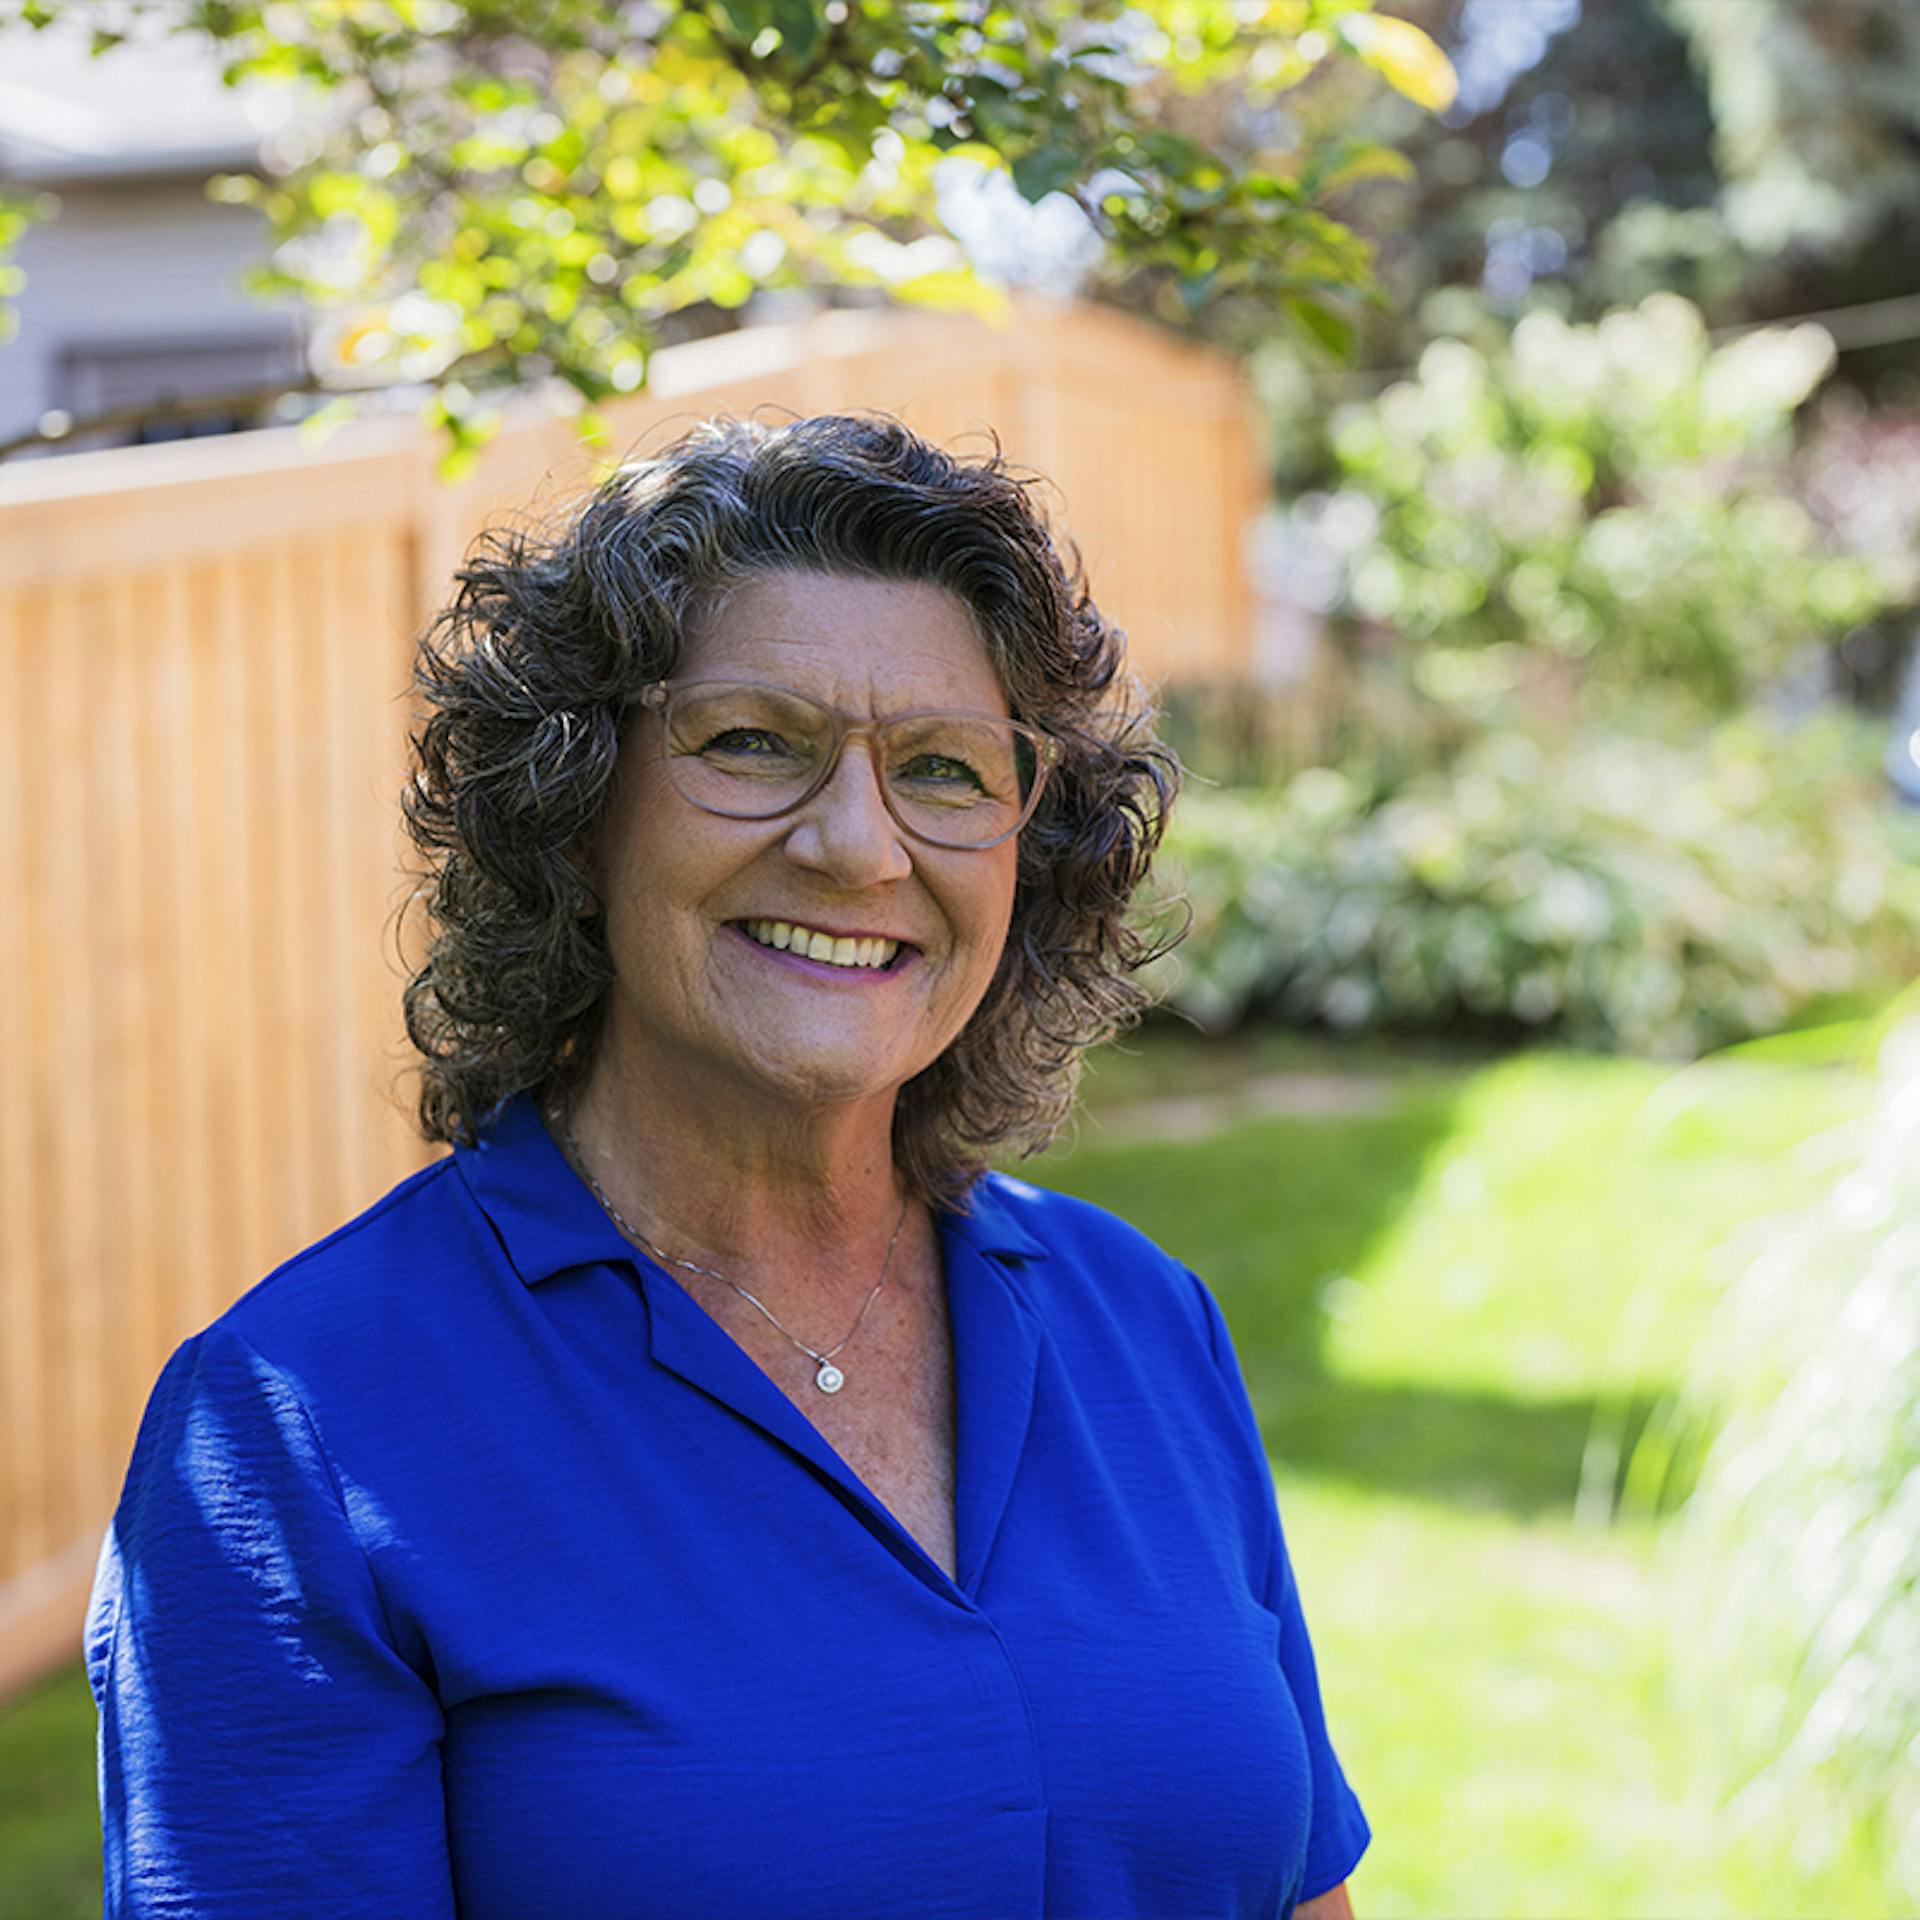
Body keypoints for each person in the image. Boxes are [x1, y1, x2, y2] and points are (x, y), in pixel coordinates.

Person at [85, 411, 1369, 1919]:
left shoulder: (1139, 1323)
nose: (856, 846)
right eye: (751, 741)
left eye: (946, 770)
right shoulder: (294, 1436)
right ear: (577, 813)